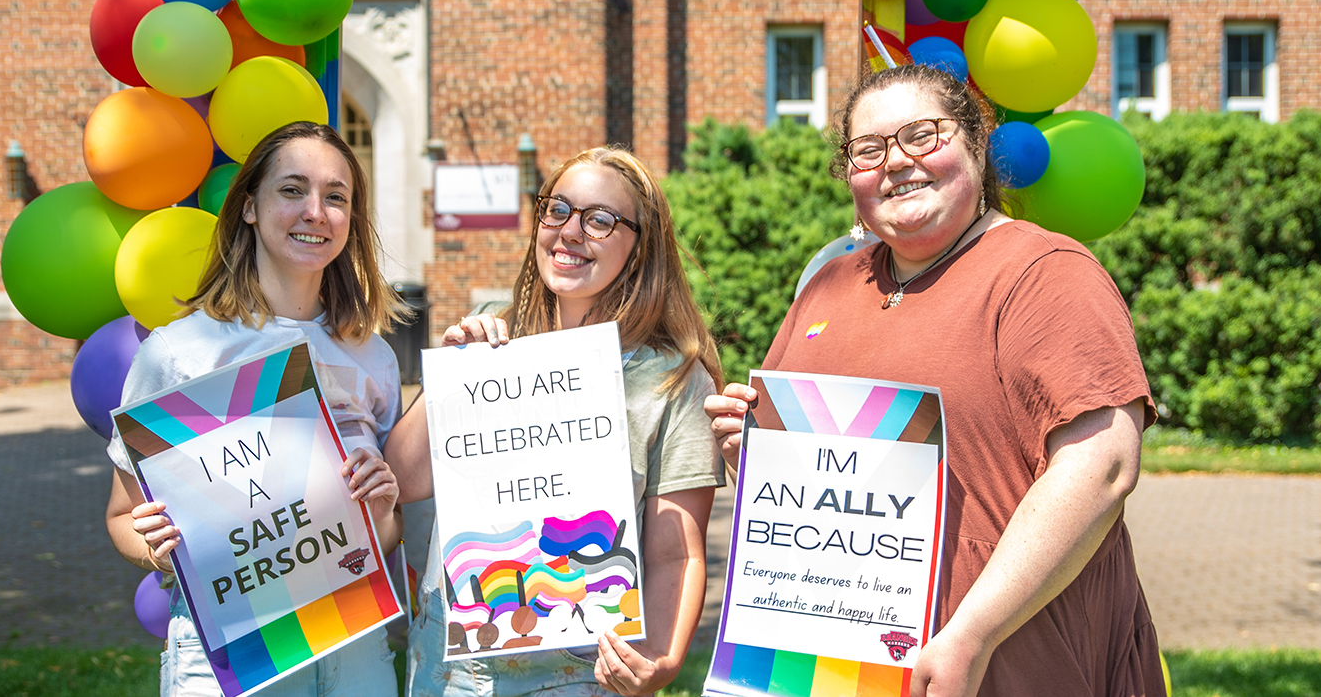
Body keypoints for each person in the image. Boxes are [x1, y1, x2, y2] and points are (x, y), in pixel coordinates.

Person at [706, 65, 1165, 697]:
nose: (895, 162)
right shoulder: (828, 287)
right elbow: (818, 475)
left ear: (977, 143)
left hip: (1004, 658)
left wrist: (971, 635)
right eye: (867, 151)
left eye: (922, 135)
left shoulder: (1045, 272)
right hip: (839, 664)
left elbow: (1104, 466)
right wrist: (754, 450)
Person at [384, 146, 724, 697]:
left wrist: (658, 660)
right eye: (557, 210)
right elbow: (404, 480)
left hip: (578, 671)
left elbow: (675, 550)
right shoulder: (493, 345)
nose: (569, 232)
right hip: (451, 666)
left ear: (641, 248)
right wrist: (449, 381)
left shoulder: (673, 380)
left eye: (600, 220)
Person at [104, 121, 406, 697]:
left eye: (335, 197)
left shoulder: (373, 357)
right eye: (292, 190)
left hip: (355, 641)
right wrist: (158, 549)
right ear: (249, 207)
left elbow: (382, 534)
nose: (315, 211)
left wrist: (384, 509)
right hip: (229, 649)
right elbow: (122, 519)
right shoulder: (178, 354)